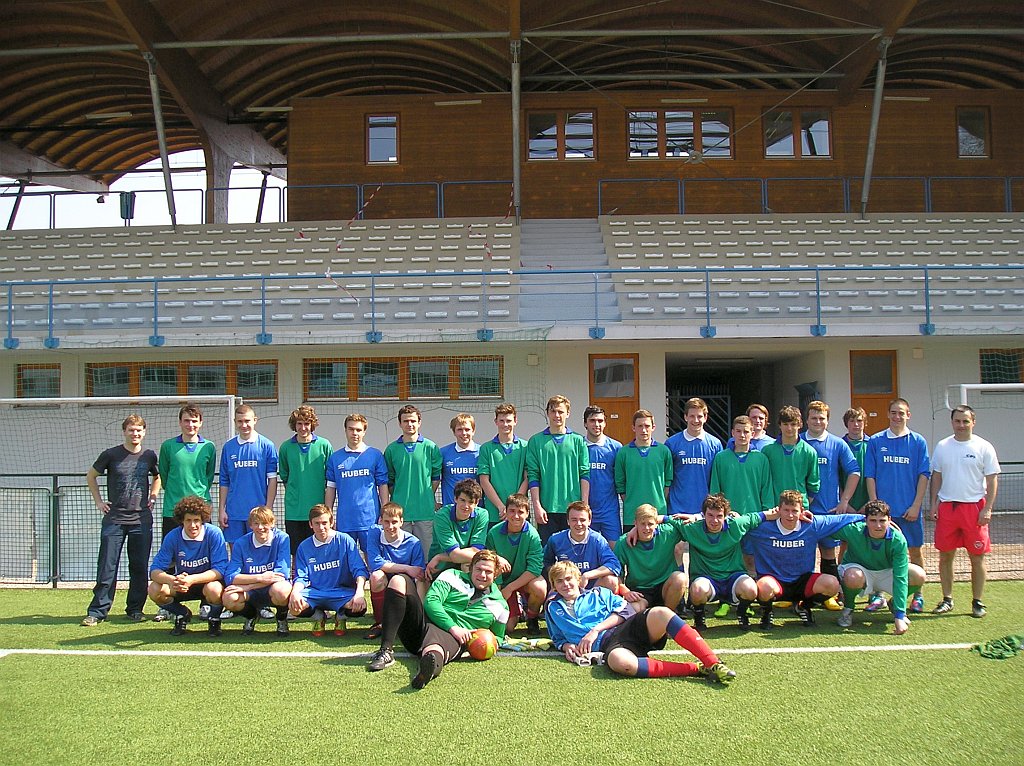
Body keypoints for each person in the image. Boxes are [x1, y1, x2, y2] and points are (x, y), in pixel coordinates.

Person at [545, 561, 735, 683]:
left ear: (579, 580)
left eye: (569, 579)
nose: (565, 584)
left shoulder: (598, 593)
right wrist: (567, 646)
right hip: (610, 646)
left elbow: (627, 610)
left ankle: (713, 663)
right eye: (559, 581)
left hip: (626, 629)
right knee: (620, 663)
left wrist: (595, 630)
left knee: (661, 612)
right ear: (554, 586)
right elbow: (557, 637)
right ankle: (697, 669)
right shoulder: (552, 608)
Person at [367, 548, 510, 690]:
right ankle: (385, 651)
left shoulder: (501, 606)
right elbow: (431, 602)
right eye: (479, 569)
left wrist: (479, 644)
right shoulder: (452, 575)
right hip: (423, 625)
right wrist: (453, 627)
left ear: (496, 574)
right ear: (471, 568)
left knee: (434, 649)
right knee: (398, 580)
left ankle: (426, 672)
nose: (482, 575)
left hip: (452, 639)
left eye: (488, 572)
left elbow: (497, 637)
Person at [81, 414, 161, 626]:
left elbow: (158, 477)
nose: (135, 434)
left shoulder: (149, 456)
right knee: (107, 566)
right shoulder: (111, 454)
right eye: (131, 430)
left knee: (139, 567)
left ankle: (135, 609)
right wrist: (99, 502)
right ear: (124, 431)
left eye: (139, 430)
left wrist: (153, 496)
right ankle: (97, 611)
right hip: (114, 520)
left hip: (141, 520)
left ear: (144, 432)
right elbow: (91, 476)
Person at [743, 490, 862, 629]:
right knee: (764, 586)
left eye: (794, 511)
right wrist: (764, 515)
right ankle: (767, 613)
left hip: (803, 581)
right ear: (778, 509)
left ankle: (803, 607)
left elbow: (842, 519)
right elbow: (741, 522)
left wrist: (867, 517)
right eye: (786, 510)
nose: (790, 515)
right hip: (774, 581)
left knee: (832, 584)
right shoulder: (763, 527)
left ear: (802, 511)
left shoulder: (811, 524)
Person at [929, 405, 1001, 618]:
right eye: (957, 421)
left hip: (974, 509)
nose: (961, 425)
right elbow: (937, 476)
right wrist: (933, 503)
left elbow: (992, 479)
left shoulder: (984, 446)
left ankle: (977, 602)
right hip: (948, 508)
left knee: (977, 557)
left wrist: (987, 508)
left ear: (973, 422)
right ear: (952, 422)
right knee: (945, 556)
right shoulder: (943, 446)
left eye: (965, 421)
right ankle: (947, 599)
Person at [675, 493, 783, 631]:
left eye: (719, 516)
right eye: (710, 515)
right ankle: (699, 617)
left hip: (733, 577)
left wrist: (792, 515)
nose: (714, 520)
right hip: (706, 579)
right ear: (703, 515)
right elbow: (665, 520)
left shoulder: (736, 525)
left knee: (751, 589)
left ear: (725, 516)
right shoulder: (692, 528)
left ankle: (741, 613)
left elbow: (761, 516)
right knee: (697, 590)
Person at [864, 398, 931, 613]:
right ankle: (878, 596)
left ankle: (918, 595)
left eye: (901, 413)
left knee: (915, 551)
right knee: (880, 554)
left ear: (908, 415)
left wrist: (916, 505)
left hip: (909, 511)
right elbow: (870, 475)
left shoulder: (918, 441)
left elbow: (924, 475)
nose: (897, 416)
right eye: (893, 412)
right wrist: (875, 506)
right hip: (883, 515)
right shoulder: (876, 441)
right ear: (888, 414)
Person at [834, 500, 925, 635]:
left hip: (886, 573)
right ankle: (848, 609)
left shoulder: (898, 540)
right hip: (860, 572)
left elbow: (900, 577)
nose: (878, 525)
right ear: (865, 520)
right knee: (852, 576)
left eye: (882, 521)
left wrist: (899, 616)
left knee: (918, 575)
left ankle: (895, 605)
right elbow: (825, 529)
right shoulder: (853, 530)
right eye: (873, 520)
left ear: (889, 520)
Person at [802, 401, 860, 609]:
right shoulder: (797, 441)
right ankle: (803, 595)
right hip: (802, 512)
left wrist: (844, 501)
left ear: (827, 421)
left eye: (822, 418)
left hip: (828, 512)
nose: (818, 422)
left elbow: (854, 471)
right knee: (803, 555)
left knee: (828, 553)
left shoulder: (837, 444)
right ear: (806, 420)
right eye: (814, 418)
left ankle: (829, 595)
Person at [147, 495, 229, 636]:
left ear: (203, 520)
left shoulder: (214, 533)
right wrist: (173, 580)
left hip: (206, 583)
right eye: (188, 520)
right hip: (181, 584)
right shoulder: (173, 536)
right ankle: (182, 614)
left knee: (214, 589)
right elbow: (154, 571)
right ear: (182, 521)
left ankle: (214, 619)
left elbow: (220, 570)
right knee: (154, 589)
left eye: (196, 520)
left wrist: (192, 579)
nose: (192, 525)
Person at [289, 504, 368, 637]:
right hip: (315, 593)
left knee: (360, 606)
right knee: (294, 607)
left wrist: (359, 592)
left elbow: (359, 569)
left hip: (341, 592)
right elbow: (301, 577)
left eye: (324, 523)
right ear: (310, 524)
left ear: (331, 523)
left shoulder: (345, 540)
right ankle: (318, 616)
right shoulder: (304, 546)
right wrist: (295, 592)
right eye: (317, 523)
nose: (321, 527)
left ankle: (341, 616)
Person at [526, 394, 590, 543]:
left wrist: (584, 504)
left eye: (560, 411)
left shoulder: (578, 440)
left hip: (573, 510)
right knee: (548, 552)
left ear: (568, 413)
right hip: (547, 510)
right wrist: (537, 506)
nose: (557, 415)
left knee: (572, 550)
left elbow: (584, 474)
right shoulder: (536, 441)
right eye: (553, 411)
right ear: (547, 413)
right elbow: (533, 476)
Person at [325, 413, 391, 557]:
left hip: (370, 519)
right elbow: (331, 488)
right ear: (345, 430)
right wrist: (328, 514)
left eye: (358, 430)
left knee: (373, 558)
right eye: (351, 429)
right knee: (345, 558)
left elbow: (382, 485)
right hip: (345, 520)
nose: (355, 433)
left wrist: (385, 511)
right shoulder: (335, 458)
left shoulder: (375, 455)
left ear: (364, 432)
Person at [221, 505, 292, 636]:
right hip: (251, 592)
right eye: (256, 523)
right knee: (229, 598)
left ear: (272, 523)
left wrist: (249, 586)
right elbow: (230, 576)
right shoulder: (241, 543)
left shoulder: (282, 538)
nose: (260, 527)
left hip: (271, 588)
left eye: (264, 523)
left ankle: (281, 618)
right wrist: (260, 578)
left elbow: (281, 575)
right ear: (250, 525)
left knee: (282, 590)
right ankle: (251, 615)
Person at [384, 404, 442, 553]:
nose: (409, 424)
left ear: (419, 422)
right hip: (400, 514)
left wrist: (426, 495)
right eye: (405, 421)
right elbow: (390, 480)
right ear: (400, 423)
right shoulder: (391, 449)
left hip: (425, 512)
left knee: (427, 554)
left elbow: (436, 476)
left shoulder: (430, 447)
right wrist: (400, 496)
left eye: (413, 421)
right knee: (403, 554)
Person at [219, 404, 278, 547]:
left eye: (247, 421)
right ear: (235, 422)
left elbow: (272, 480)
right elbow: (224, 481)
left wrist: (268, 509)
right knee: (236, 553)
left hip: (258, 513)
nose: (244, 425)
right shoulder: (228, 447)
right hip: (234, 513)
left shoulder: (267, 446)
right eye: (240, 421)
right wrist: (221, 510)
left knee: (259, 552)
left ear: (255, 420)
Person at [615, 504, 689, 618]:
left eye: (650, 524)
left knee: (680, 578)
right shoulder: (623, 542)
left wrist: (665, 518)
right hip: (640, 590)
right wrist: (626, 591)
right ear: (635, 523)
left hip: (664, 587)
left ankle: (667, 618)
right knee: (634, 611)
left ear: (656, 523)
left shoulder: (667, 533)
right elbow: (616, 573)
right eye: (642, 524)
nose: (646, 528)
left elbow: (689, 526)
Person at [278, 405, 333, 559]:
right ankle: (297, 574)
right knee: (296, 552)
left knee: (320, 551)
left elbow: (330, 479)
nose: (303, 428)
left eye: (306, 424)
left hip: (318, 510)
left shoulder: (324, 445)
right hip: (294, 511)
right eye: (299, 424)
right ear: (294, 425)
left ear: (312, 424)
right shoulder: (286, 448)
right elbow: (285, 476)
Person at [366, 501, 427, 639]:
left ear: (401, 522)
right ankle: (380, 623)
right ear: (380, 521)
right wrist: (406, 568)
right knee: (376, 576)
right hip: (387, 580)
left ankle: (418, 622)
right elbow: (375, 563)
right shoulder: (374, 532)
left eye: (394, 522)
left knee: (420, 581)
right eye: (386, 522)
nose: (390, 526)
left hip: (404, 585)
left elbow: (418, 574)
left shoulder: (413, 543)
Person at [486, 493, 546, 635]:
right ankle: (516, 608)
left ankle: (532, 617)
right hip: (503, 581)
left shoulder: (532, 535)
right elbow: (490, 564)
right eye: (512, 511)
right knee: (508, 628)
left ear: (527, 514)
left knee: (540, 588)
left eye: (521, 512)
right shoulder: (494, 533)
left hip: (524, 580)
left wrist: (510, 588)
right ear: (506, 512)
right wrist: (500, 592)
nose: (516, 516)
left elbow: (534, 569)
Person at [157, 403, 216, 541]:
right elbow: (164, 477)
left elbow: (208, 477)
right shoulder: (168, 446)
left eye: (194, 421)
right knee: (172, 551)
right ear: (180, 422)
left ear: (200, 422)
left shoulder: (208, 447)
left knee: (203, 550)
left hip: (200, 508)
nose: (190, 425)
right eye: (186, 421)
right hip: (173, 509)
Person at [614, 409, 673, 530]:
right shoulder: (623, 452)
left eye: (647, 426)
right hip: (632, 515)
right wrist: (630, 501)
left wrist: (660, 499)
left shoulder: (663, 451)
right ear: (633, 428)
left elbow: (668, 481)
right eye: (640, 426)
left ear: (653, 427)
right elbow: (620, 484)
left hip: (658, 514)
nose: (644, 430)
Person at [542, 501, 621, 592]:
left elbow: (614, 564)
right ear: (568, 521)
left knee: (611, 581)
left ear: (589, 521)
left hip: (593, 587)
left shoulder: (598, 540)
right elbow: (546, 562)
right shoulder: (555, 540)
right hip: (566, 587)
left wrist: (587, 575)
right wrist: (559, 577)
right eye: (574, 520)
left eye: (582, 520)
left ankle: (598, 601)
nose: (578, 524)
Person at [664, 397, 722, 516]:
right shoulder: (672, 443)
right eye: (692, 416)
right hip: (677, 510)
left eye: (699, 416)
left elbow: (719, 479)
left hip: (705, 512)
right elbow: (666, 478)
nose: (696, 420)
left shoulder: (715, 444)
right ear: (685, 417)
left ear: (705, 417)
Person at [710, 415, 774, 516]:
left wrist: (766, 514)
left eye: (746, 432)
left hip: (754, 516)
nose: (742, 435)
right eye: (738, 431)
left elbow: (767, 490)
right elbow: (715, 489)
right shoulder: (721, 458)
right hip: (728, 516)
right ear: (733, 433)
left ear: (752, 434)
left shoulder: (761, 459)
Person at [476, 402, 529, 525]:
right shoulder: (486, 448)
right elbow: (484, 480)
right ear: (496, 422)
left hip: (519, 512)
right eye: (502, 420)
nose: (505, 424)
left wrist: (514, 506)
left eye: (509, 420)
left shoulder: (525, 447)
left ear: (515, 421)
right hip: (495, 513)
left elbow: (528, 478)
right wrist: (501, 506)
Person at [425, 479, 488, 578]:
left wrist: (441, 557)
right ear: (455, 498)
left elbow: (476, 550)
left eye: (470, 502)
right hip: (440, 569)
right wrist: (493, 559)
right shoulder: (442, 516)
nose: (466, 506)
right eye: (462, 500)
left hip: (464, 562)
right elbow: (454, 555)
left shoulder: (482, 515)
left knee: (468, 565)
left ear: (476, 503)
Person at [762, 405, 821, 511]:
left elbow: (813, 484)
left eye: (793, 424)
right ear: (779, 425)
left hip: (799, 509)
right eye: (785, 424)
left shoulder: (809, 451)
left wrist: (803, 503)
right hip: (775, 507)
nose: (789, 428)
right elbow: (763, 482)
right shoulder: (767, 451)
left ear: (800, 424)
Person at [582, 405, 622, 545]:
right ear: (585, 423)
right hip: (585, 510)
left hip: (609, 511)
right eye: (592, 420)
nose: (597, 424)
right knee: (587, 549)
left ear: (605, 423)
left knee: (615, 549)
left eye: (600, 421)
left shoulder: (616, 447)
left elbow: (621, 479)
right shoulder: (578, 446)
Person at [439, 413, 480, 507]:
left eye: (467, 429)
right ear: (454, 432)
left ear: (473, 431)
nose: (464, 433)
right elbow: (433, 479)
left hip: (476, 510)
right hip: (450, 510)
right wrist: (432, 501)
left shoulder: (482, 453)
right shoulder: (443, 453)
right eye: (459, 430)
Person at [842, 407, 870, 511]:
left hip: (868, 503)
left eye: (859, 420)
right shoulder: (840, 445)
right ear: (846, 423)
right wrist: (844, 502)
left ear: (865, 423)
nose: (856, 424)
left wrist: (870, 502)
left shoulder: (872, 445)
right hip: (844, 504)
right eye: (852, 421)